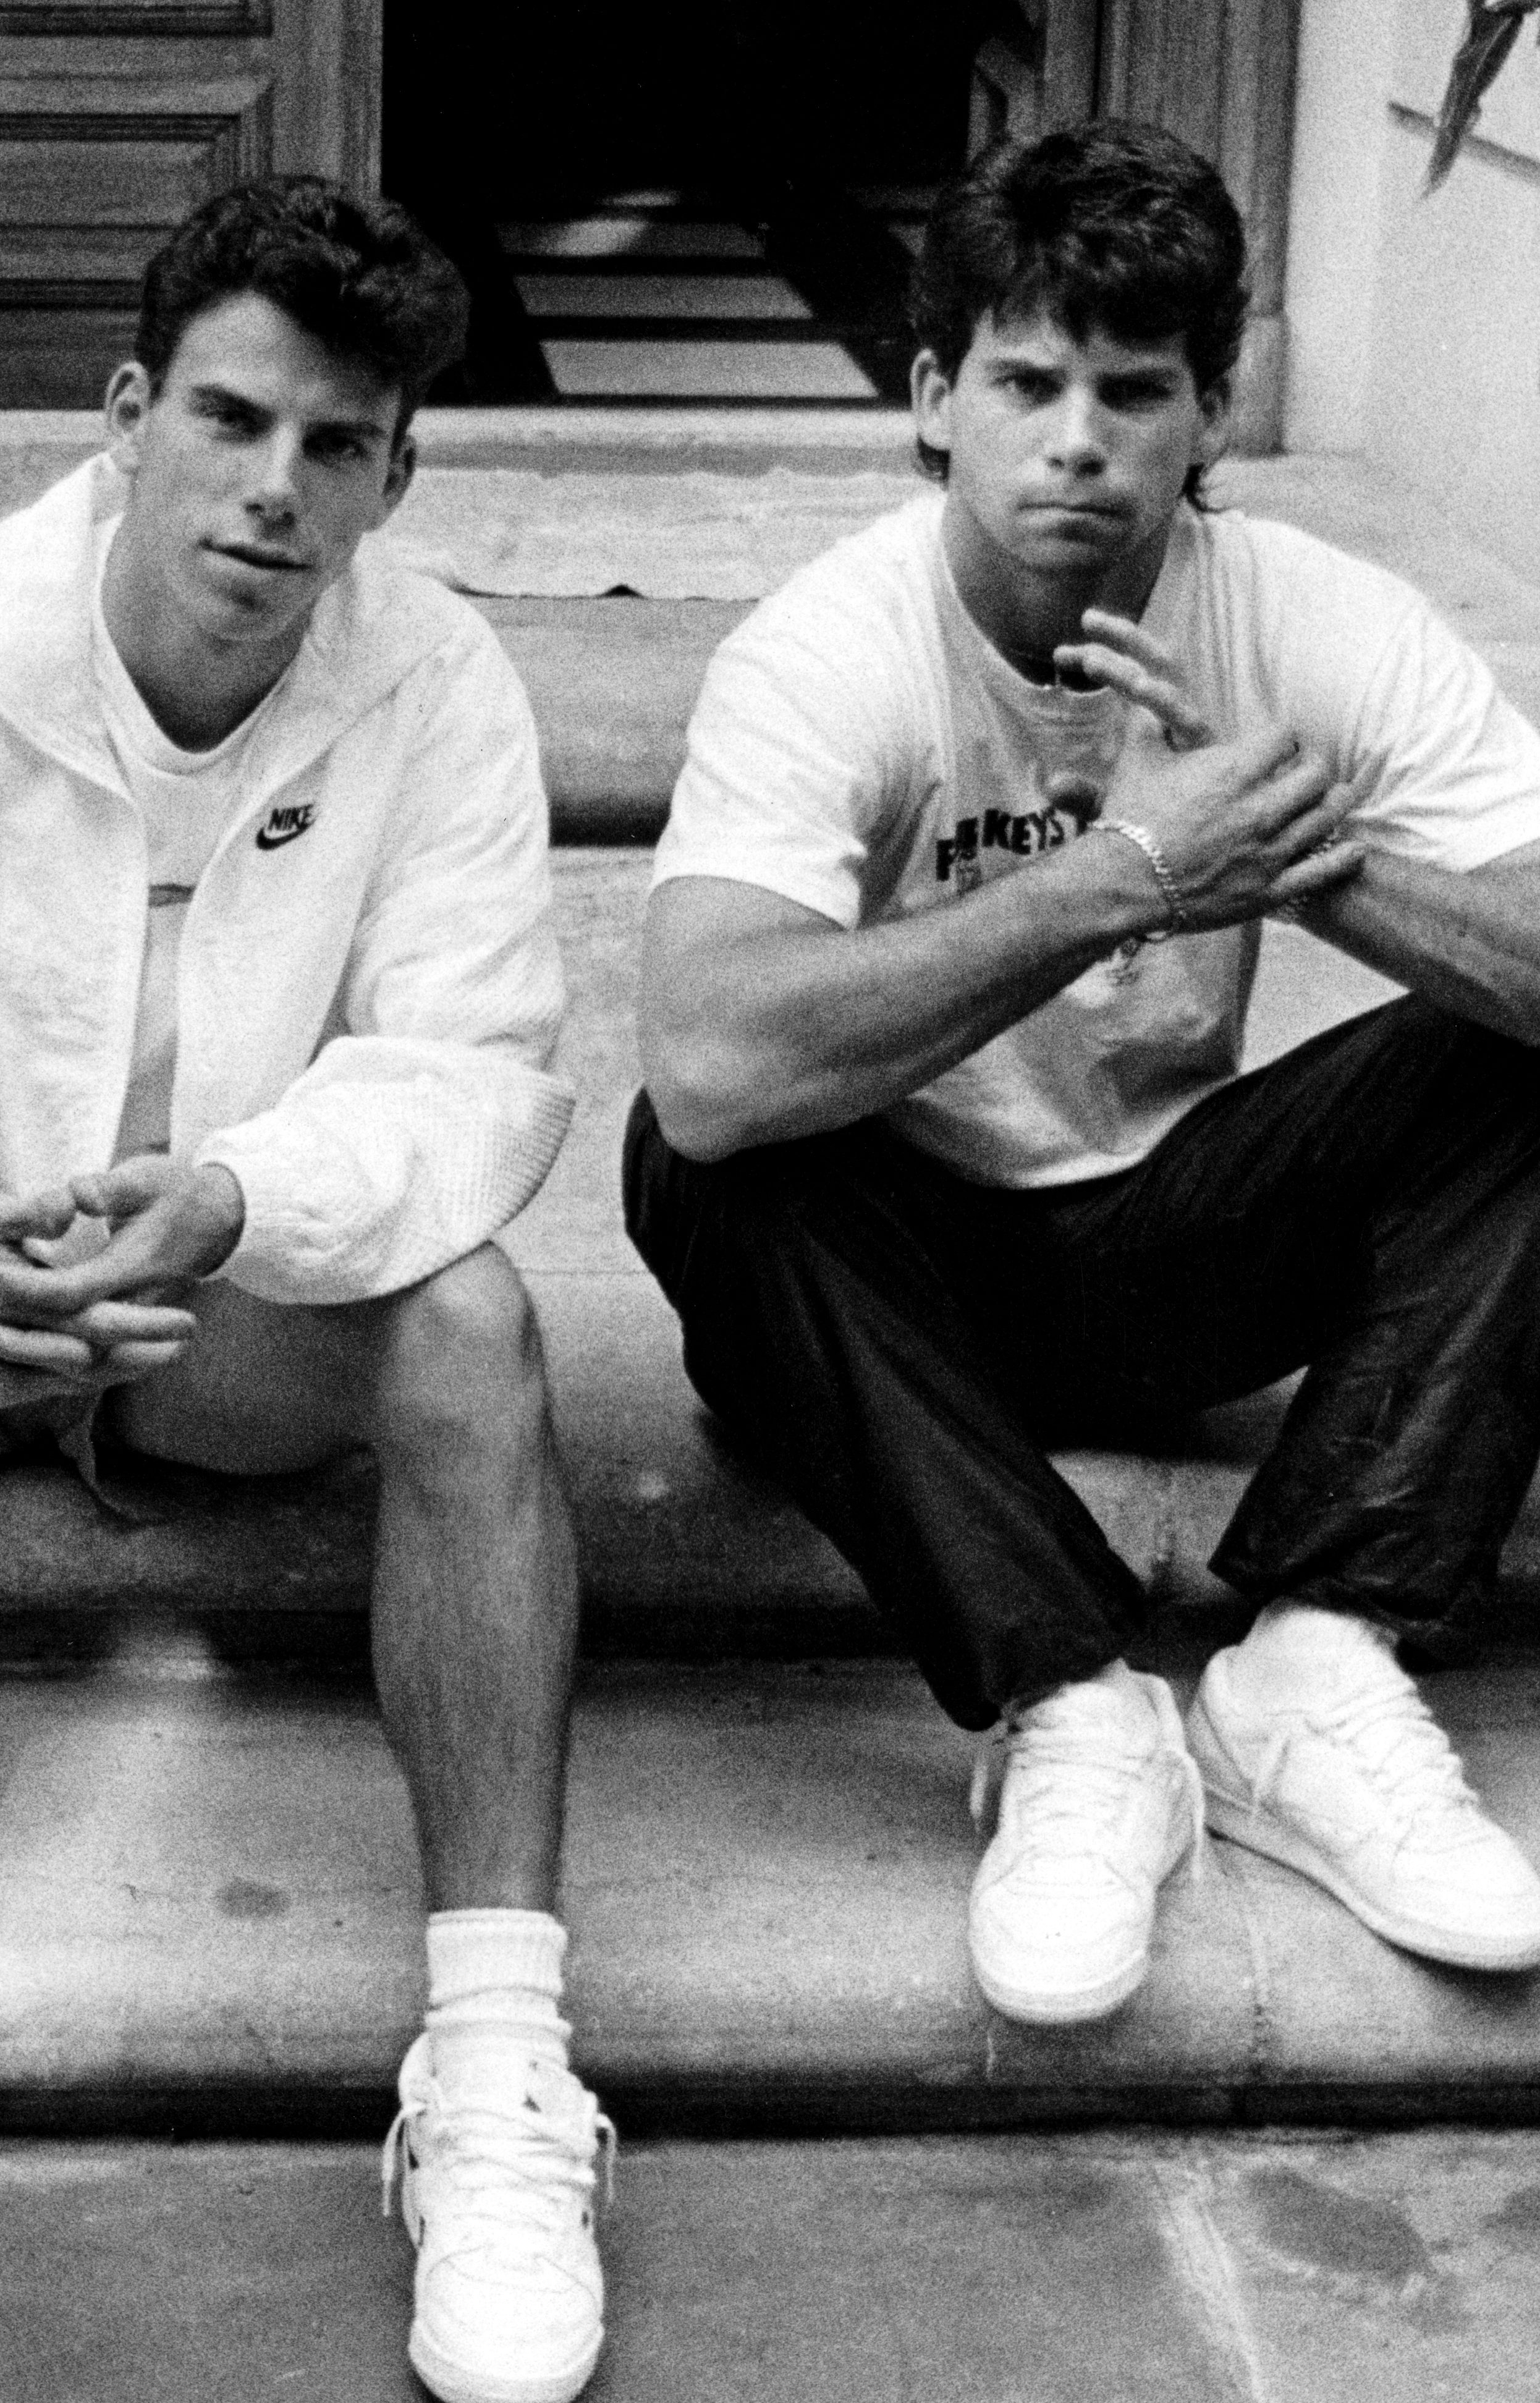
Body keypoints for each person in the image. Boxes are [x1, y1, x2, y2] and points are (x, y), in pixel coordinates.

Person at [0, 177, 609, 2403]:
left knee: (482, 1322)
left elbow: (482, 1074)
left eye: (340, 445)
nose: (275, 489)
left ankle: (499, 2064)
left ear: (398, 472)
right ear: (128, 413)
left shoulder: (440, 683)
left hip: (221, 1304)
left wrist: (225, 1198)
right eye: (231, 419)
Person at [628, 118, 1540, 2030]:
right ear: (934, 396)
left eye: (1136, 392)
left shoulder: (1314, 621)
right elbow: (713, 1064)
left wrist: (1306, 861)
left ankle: (1316, 1659)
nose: (1078, 442)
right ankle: (1078, 1708)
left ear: (1209, 414)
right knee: (690, 1152)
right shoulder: (830, 650)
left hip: (1181, 1244)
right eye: (1027, 383)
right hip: (894, 1283)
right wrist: (1117, 879)